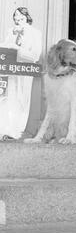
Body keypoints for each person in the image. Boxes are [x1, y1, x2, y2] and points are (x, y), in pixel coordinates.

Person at [0, 7, 42, 140]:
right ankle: (6, 130)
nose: (18, 18)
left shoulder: (35, 33)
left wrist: (18, 49)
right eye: (16, 16)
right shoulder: (9, 31)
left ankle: (18, 130)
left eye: (21, 16)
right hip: (10, 70)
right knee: (8, 97)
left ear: (27, 17)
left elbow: (35, 55)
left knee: (22, 99)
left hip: (25, 70)